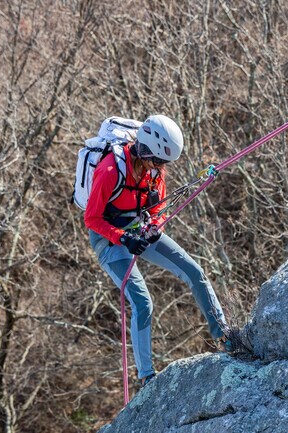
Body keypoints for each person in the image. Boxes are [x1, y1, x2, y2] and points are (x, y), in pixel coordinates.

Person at [84, 114, 232, 387]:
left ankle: (225, 336)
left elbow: (155, 211)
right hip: (109, 240)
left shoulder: (155, 171)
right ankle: (146, 377)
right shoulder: (108, 171)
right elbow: (92, 219)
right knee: (142, 302)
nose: (161, 168)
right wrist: (124, 239)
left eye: (164, 163)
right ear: (144, 150)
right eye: (158, 161)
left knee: (194, 271)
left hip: (139, 230)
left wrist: (154, 226)